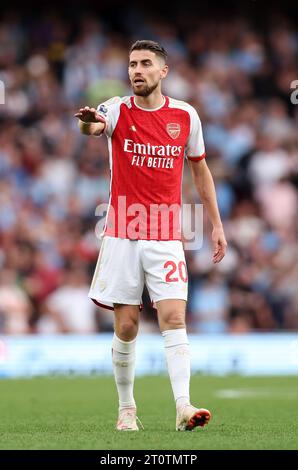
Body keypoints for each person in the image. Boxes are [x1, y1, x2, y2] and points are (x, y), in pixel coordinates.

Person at [74, 40, 227, 431]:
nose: (136, 70)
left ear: (163, 71)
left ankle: (183, 407)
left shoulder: (185, 116)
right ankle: (127, 408)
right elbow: (94, 126)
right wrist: (87, 122)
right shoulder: (115, 108)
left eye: (145, 63)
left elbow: (200, 171)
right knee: (127, 326)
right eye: (131, 64)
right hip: (122, 232)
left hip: (165, 235)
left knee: (174, 317)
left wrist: (216, 224)